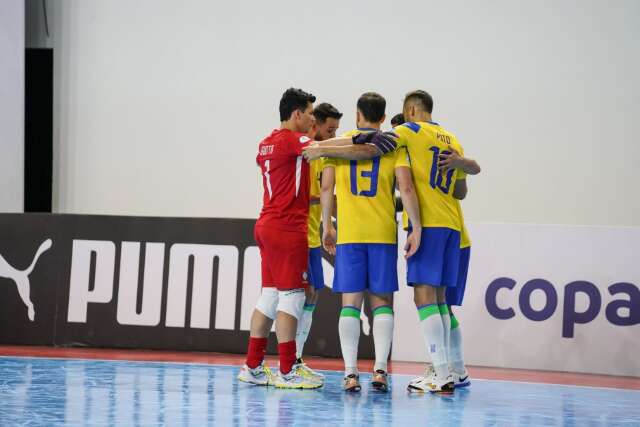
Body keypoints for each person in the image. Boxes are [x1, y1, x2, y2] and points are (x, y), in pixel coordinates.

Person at [318, 92, 422, 392]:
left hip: (350, 234)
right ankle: (379, 370)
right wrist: (415, 226)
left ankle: (350, 373)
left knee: (350, 304)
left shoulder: (339, 144)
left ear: (357, 115)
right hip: (382, 234)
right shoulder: (393, 145)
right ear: (383, 118)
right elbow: (405, 184)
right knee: (382, 304)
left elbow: (327, 187)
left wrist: (327, 226)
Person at [391, 90, 467, 394]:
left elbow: (374, 142)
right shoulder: (453, 139)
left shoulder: (409, 131)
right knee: (439, 301)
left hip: (429, 224)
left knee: (424, 297)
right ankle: (446, 370)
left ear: (410, 110)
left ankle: (440, 372)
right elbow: (461, 190)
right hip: (452, 225)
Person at [294, 102, 343, 382]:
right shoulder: (304, 153)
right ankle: (289, 360)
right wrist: (332, 203)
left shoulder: (325, 156)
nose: (333, 134)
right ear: (315, 125)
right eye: (329, 129)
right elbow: (306, 196)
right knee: (295, 295)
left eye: (336, 129)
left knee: (313, 293)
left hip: (313, 235)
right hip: (298, 234)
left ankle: (297, 358)